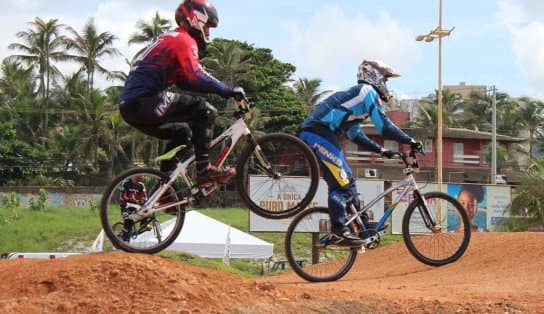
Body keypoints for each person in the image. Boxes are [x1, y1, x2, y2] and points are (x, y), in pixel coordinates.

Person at [118, 0, 246, 186]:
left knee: (183, 133)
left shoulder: (170, 38)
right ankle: (203, 170)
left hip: (130, 107)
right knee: (206, 111)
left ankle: (163, 192)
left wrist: (222, 92)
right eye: (208, 26)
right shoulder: (183, 39)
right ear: (197, 19)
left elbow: (185, 82)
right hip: (146, 99)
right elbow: (196, 74)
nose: (208, 33)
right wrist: (228, 91)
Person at [299, 59, 424, 247]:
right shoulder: (367, 92)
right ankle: (338, 230)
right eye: (386, 80)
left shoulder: (359, 102)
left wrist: (381, 151)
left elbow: (355, 134)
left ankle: (362, 224)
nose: (386, 85)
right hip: (318, 132)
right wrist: (410, 141)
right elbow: (383, 125)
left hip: (323, 134)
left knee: (348, 178)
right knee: (343, 183)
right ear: (375, 76)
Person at [119, 175, 147, 241]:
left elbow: (144, 196)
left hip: (136, 206)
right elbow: (123, 196)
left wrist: (142, 200)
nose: (141, 178)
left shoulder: (141, 185)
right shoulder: (125, 183)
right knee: (129, 221)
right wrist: (133, 200)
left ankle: (142, 228)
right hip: (126, 205)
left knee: (146, 212)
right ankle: (126, 241)